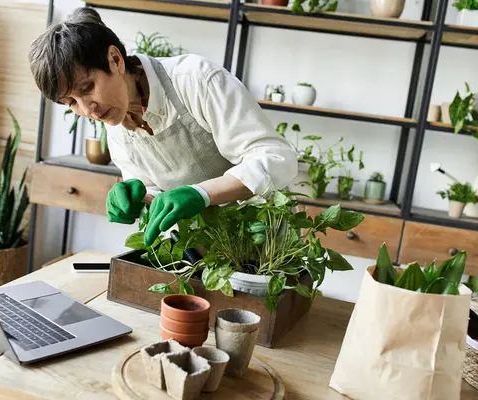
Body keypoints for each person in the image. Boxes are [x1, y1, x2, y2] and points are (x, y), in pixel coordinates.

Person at [28, 7, 298, 246]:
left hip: (266, 240)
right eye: (71, 102)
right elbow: (157, 193)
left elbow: (275, 158)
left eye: (88, 88)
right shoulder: (114, 121)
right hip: (203, 251)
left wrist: (201, 193)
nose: (87, 110)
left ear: (115, 60)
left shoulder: (195, 80)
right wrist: (138, 196)